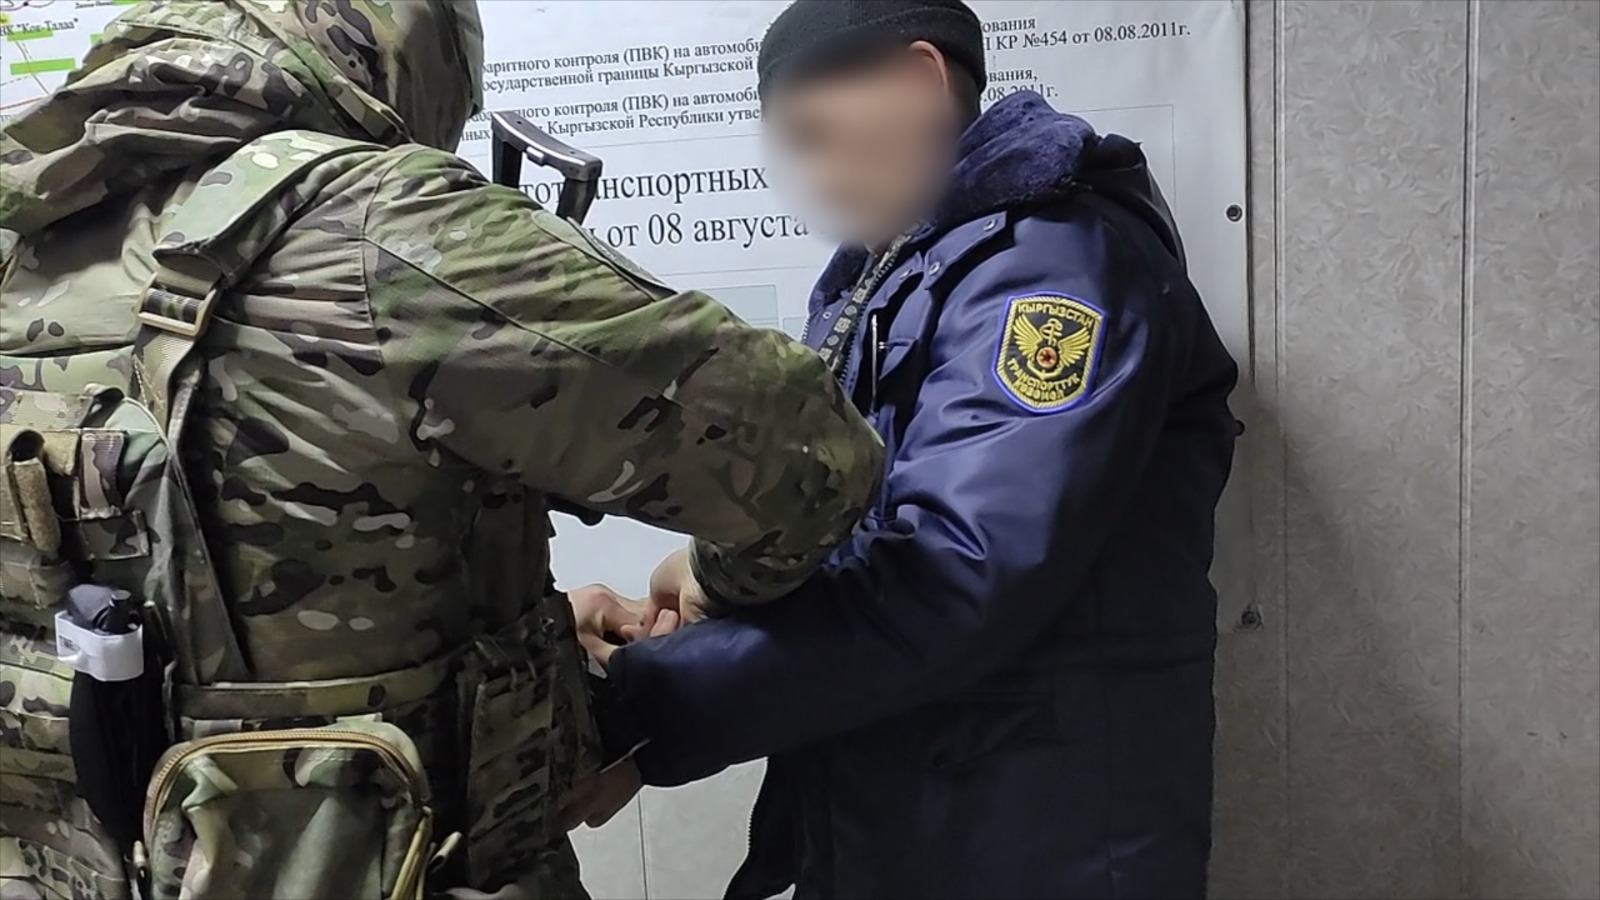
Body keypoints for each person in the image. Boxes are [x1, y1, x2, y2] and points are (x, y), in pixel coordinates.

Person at [0, 1, 880, 897]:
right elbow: (810, 461)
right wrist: (713, 587)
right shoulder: (382, 224)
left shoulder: (25, 232)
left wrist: (519, 631)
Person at [567, 0, 1242, 897]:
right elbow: (861, 536)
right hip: (912, 816)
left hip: (1034, 844)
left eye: (817, 134)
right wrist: (712, 591)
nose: (811, 178)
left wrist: (644, 705)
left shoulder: (1052, 268)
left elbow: (955, 569)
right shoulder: (903, 276)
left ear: (920, 81)